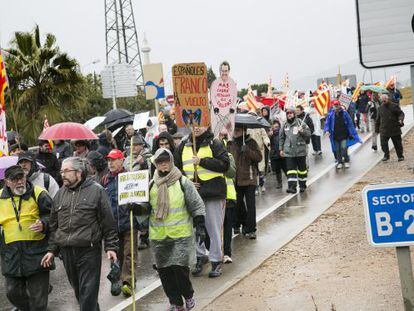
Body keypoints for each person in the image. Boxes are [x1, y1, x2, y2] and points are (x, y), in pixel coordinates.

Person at [41, 157, 118, 311]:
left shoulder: (96, 190)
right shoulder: (60, 194)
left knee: (88, 292)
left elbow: (108, 222)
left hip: (88, 250)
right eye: (61, 171)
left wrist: (111, 247)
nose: (62, 174)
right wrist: (51, 250)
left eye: (66, 171)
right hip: (67, 251)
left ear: (78, 172)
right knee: (80, 292)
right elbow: (55, 226)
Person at [148, 148, 206, 311]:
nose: (163, 164)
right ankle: (176, 303)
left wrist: (200, 223)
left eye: (166, 160)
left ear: (172, 161)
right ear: (156, 164)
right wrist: (137, 209)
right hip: (158, 237)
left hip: (181, 235)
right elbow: (146, 209)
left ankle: (188, 296)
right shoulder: (152, 184)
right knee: (165, 273)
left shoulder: (183, 182)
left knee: (180, 270)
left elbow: (196, 203)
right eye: (160, 161)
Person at [175, 126, 229, 278]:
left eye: (200, 124)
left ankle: (216, 260)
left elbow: (224, 165)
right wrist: (187, 182)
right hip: (192, 194)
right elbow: (176, 169)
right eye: (193, 124)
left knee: (214, 229)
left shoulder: (215, 143)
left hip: (213, 193)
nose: (196, 127)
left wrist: (202, 161)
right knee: (194, 228)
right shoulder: (184, 145)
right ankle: (200, 257)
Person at [0, 165, 53, 311]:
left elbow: (54, 217)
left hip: (37, 254)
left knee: (39, 302)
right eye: (14, 179)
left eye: (21, 177)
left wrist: (44, 224)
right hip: (11, 256)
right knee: (12, 293)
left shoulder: (39, 193)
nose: (19, 182)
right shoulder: (0, 197)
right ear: (7, 182)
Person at [101, 149, 137, 297]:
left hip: (128, 221)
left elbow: (141, 197)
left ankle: (127, 282)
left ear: (122, 160)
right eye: (109, 160)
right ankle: (115, 278)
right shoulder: (104, 180)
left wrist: (135, 206)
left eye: (114, 160)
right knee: (115, 254)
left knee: (129, 253)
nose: (111, 163)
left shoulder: (131, 177)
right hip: (112, 225)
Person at [228, 126, 262, 238]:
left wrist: (247, 150)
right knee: (237, 204)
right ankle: (239, 223)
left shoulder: (251, 142)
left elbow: (259, 157)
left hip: (249, 179)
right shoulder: (230, 143)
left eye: (238, 129)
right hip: (235, 179)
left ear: (243, 130)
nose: (236, 131)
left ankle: (251, 229)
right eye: (234, 129)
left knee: (251, 205)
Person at [279, 107, 311, 193]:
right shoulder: (284, 125)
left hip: (300, 151)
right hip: (289, 152)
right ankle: (292, 187)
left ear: (294, 114)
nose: (289, 114)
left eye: (290, 113)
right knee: (291, 170)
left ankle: (302, 185)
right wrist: (281, 149)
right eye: (287, 113)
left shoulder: (300, 123)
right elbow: (281, 138)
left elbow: (308, 134)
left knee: (302, 170)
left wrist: (302, 131)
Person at [324, 100, 361, 169]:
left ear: (339, 105)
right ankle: (340, 162)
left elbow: (349, 122)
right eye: (335, 105)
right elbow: (327, 123)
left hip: (344, 134)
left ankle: (346, 160)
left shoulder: (344, 113)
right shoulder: (331, 114)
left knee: (344, 148)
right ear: (333, 106)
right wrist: (326, 130)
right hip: (335, 135)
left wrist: (352, 132)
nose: (336, 106)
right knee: (337, 150)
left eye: (337, 105)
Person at [219, 132, 237, 263]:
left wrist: (222, 163)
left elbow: (231, 173)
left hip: (228, 196)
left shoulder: (229, 156)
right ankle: (215, 251)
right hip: (214, 196)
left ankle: (227, 253)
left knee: (227, 226)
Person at [375, 94, 405, 161]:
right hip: (384, 129)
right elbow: (377, 120)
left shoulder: (394, 106)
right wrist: (376, 130)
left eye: (384, 100)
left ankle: (400, 156)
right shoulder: (380, 108)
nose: (383, 102)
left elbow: (401, 113)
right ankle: (386, 155)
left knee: (398, 144)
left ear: (387, 99)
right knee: (383, 144)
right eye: (382, 101)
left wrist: (400, 119)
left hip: (394, 128)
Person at [247, 125, 270, 194]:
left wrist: (267, 143)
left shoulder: (260, 128)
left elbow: (265, 136)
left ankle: (262, 184)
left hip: (260, 151)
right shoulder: (248, 128)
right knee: (254, 170)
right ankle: (255, 187)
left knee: (260, 170)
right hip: (251, 151)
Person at [269, 120, 287, 189]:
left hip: (282, 154)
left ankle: (290, 181)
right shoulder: (271, 134)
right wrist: (269, 136)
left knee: (286, 169)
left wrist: (283, 150)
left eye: (277, 127)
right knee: (277, 170)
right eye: (274, 127)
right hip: (274, 155)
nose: (275, 128)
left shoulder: (282, 133)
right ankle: (279, 183)